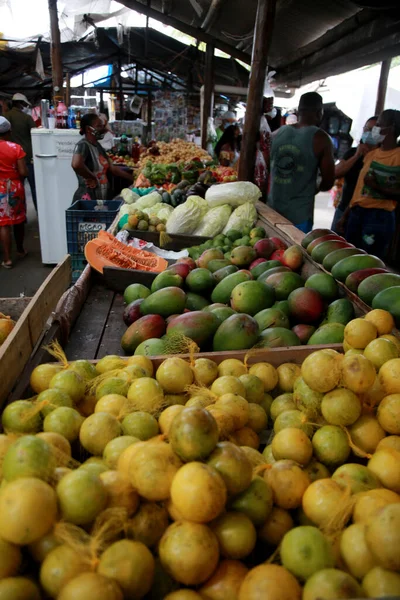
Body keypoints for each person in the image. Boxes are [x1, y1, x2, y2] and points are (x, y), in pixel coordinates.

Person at [268, 92, 335, 233]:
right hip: (300, 216)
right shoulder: (321, 139)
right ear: (319, 112)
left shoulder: (277, 133)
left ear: (298, 111)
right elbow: (328, 182)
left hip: (273, 209)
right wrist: (314, 186)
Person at [344, 109, 400, 259]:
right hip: (357, 213)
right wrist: (346, 214)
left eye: (380, 124)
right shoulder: (371, 155)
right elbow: (359, 190)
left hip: (379, 217)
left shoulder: (398, 156)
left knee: (368, 260)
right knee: (348, 257)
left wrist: (377, 187)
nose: (376, 129)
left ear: (391, 128)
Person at [71, 113, 133, 203]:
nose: (102, 129)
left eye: (102, 126)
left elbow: (112, 168)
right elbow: (76, 164)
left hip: (101, 197)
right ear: (89, 129)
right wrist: (91, 177)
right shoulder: (82, 145)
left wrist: (131, 178)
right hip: (88, 199)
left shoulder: (97, 145)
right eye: (99, 126)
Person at [331, 116, 378, 233]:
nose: (368, 133)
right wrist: (356, 156)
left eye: (373, 130)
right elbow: (336, 172)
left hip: (368, 214)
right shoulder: (352, 152)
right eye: (366, 129)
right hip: (344, 208)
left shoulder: (381, 158)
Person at [0, 117, 28, 268]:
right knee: (18, 220)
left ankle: (7, 259)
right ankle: (20, 250)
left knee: (3, 224)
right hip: (14, 187)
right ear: (9, 131)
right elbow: (23, 171)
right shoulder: (16, 148)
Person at [4, 93, 37, 211]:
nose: (25, 106)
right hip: (28, 158)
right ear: (19, 103)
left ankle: (19, 213)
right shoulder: (26, 118)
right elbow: (35, 135)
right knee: (34, 189)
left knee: (16, 190)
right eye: (24, 104)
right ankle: (40, 215)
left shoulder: (5, 116)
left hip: (11, 159)